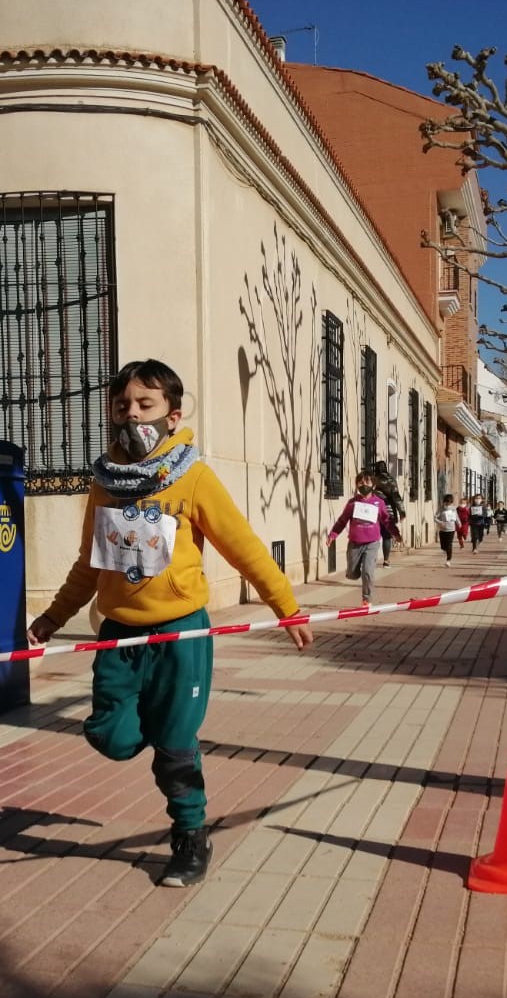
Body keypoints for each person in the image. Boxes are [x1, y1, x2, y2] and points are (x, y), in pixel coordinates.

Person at [27, 359, 312, 889]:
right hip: (118, 636)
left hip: (181, 635)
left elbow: (244, 547)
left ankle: (189, 836)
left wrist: (286, 607)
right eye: (122, 406)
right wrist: (52, 617)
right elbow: (89, 563)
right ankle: (157, 737)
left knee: (176, 745)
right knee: (112, 737)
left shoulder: (194, 477)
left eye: (145, 405)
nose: (131, 415)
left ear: (172, 416)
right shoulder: (104, 483)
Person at [328, 470, 393, 603]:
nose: (364, 485)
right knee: (352, 574)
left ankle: (366, 599)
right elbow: (342, 520)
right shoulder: (352, 503)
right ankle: (354, 572)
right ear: (357, 485)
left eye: (367, 482)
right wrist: (333, 534)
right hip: (355, 543)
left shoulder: (379, 502)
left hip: (372, 543)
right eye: (361, 482)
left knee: (368, 572)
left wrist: (395, 533)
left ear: (373, 485)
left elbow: (386, 520)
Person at [370, 460, 405, 566]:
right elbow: (396, 496)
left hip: (373, 508)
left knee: (373, 535)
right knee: (386, 536)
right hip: (387, 509)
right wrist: (401, 511)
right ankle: (386, 560)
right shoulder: (390, 480)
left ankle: (371, 559)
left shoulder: (372, 479)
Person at [434, 494, 460, 566]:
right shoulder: (441, 509)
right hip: (442, 530)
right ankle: (447, 551)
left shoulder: (453, 509)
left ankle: (448, 560)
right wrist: (440, 522)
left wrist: (459, 523)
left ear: (451, 502)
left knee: (449, 544)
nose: (447, 504)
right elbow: (435, 518)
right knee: (443, 546)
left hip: (451, 529)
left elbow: (456, 517)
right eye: (446, 502)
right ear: (444, 502)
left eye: (449, 502)